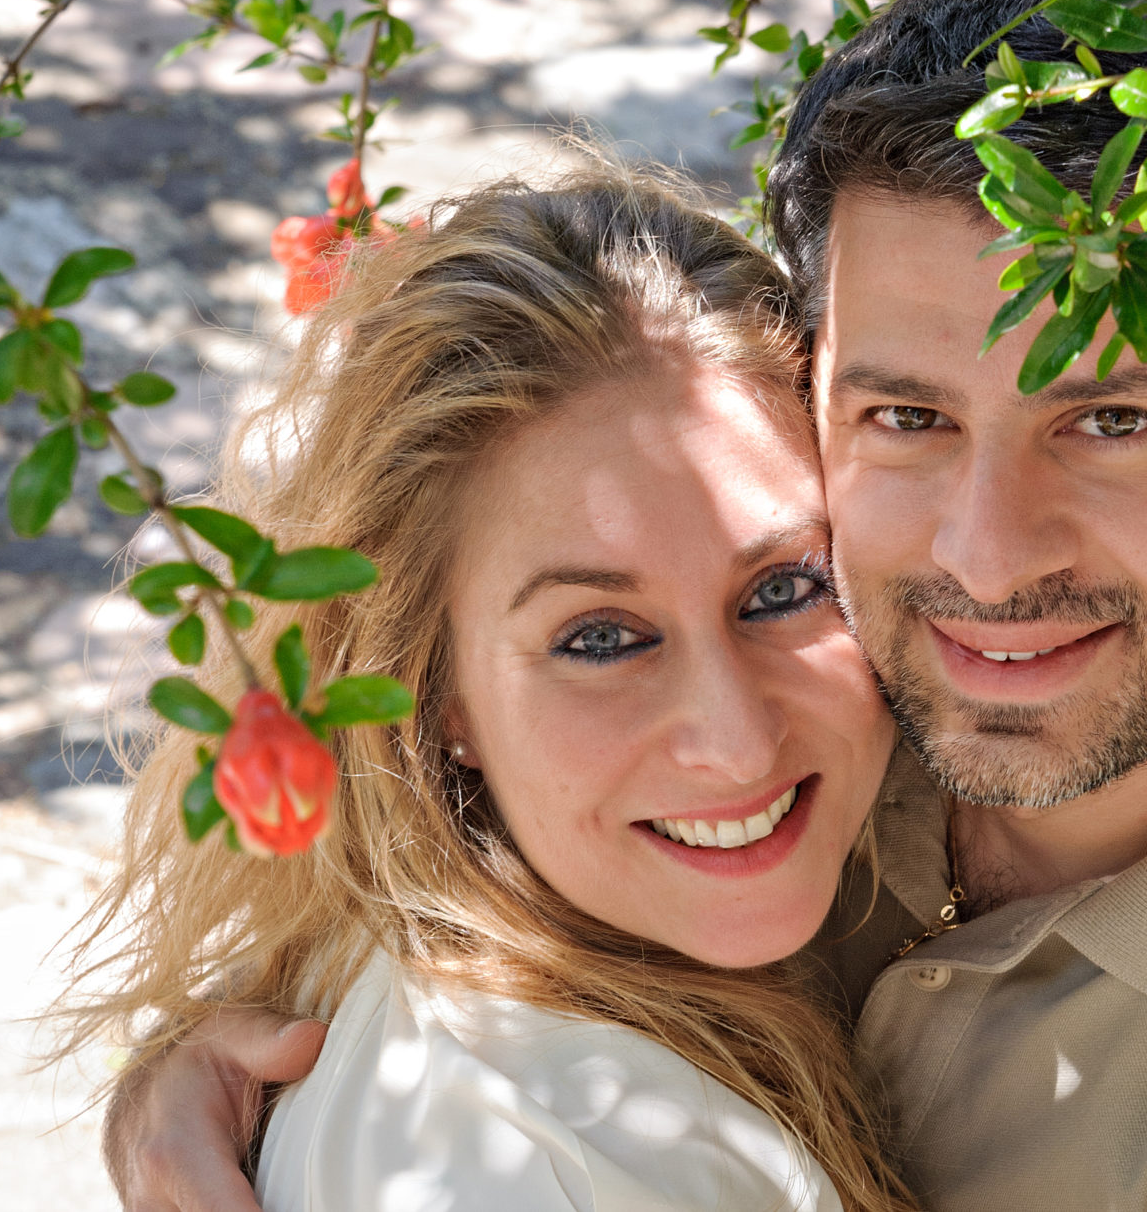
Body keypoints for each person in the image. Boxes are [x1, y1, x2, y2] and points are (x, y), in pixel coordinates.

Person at [102, 0, 1147, 1212]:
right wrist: (240, 1080)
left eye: (1114, 419)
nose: (985, 557)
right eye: (908, 417)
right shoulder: (829, 712)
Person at [57, 167, 919, 1212]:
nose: (737, 741)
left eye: (784, 588)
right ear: (437, 697)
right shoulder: (560, 1156)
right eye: (601, 638)